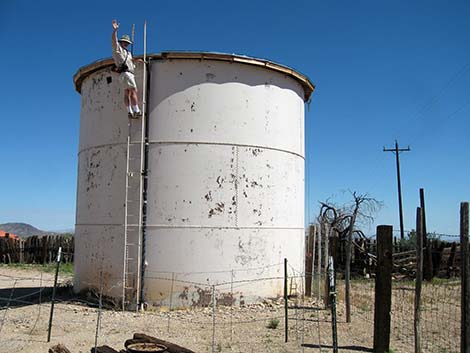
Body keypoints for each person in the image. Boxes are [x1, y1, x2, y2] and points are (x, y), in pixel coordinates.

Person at [112, 19, 142, 119]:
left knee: (127, 92)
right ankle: (136, 110)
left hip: (123, 74)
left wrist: (136, 60)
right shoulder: (118, 49)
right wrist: (115, 31)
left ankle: (129, 111)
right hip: (127, 74)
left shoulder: (128, 53)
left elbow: (130, 62)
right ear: (121, 42)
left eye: (127, 43)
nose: (126, 44)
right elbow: (113, 41)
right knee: (134, 90)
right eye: (124, 42)